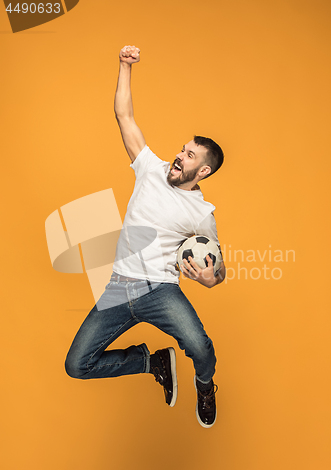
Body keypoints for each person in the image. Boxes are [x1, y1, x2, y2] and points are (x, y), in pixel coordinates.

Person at [65, 45, 226, 428]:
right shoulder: (150, 168)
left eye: (189, 156)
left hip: (161, 291)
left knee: (201, 349)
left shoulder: (202, 214)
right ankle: (149, 361)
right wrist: (124, 66)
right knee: (77, 365)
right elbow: (124, 114)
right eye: (183, 149)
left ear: (202, 172)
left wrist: (210, 278)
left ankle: (205, 386)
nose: (179, 156)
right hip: (119, 288)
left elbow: (219, 270)